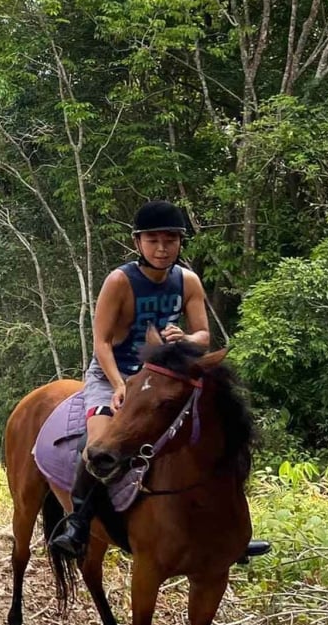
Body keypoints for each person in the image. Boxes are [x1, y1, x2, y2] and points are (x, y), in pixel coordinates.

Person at [49, 199, 210, 557]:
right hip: (113, 375)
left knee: (216, 433)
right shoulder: (120, 281)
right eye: (153, 239)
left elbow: (203, 337)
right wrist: (119, 386)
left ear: (181, 243)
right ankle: (77, 524)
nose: (162, 247)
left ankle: (225, 532)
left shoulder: (188, 281)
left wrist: (184, 338)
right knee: (98, 447)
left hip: (163, 378)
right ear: (138, 242)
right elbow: (101, 342)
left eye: (170, 239)